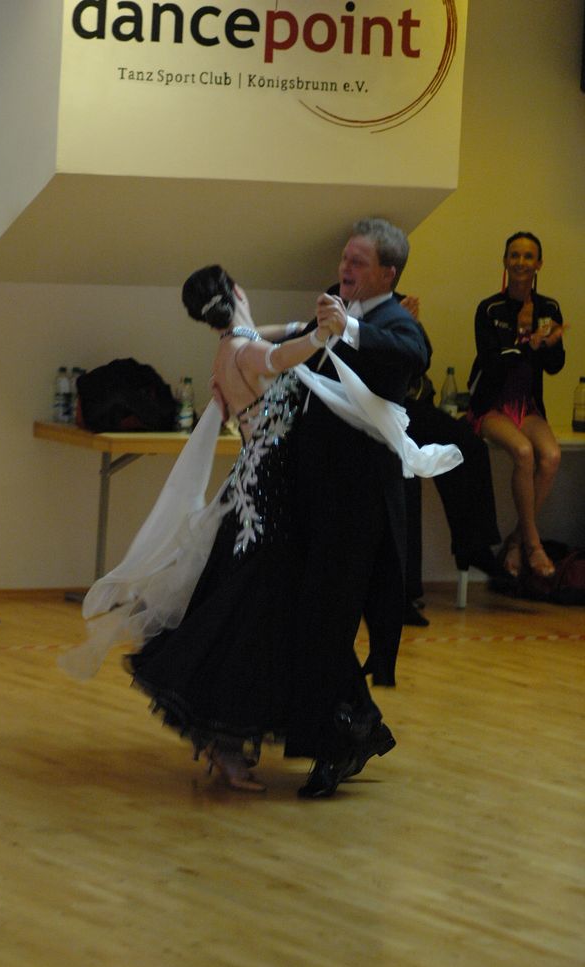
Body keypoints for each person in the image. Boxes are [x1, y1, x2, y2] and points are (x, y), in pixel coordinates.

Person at [61, 263, 461, 797]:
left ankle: (316, 729)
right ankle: (267, 736)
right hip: (268, 497)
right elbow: (282, 354)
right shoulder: (246, 351)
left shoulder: (235, 342)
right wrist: (323, 335)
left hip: (260, 489)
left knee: (261, 613)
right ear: (236, 291)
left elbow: (285, 332)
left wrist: (341, 325)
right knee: (252, 615)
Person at [283, 218, 431, 796]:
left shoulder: (395, 323)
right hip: (314, 495)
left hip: (358, 507)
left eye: (358, 262)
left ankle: (341, 741)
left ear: (388, 274)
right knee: (309, 618)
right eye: (345, 258)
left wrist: (347, 328)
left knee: (328, 620)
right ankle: (356, 725)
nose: (345, 268)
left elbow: (412, 353)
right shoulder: (333, 312)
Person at [466, 232, 566, 579]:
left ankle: (516, 541)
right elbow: (492, 363)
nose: (521, 262)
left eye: (528, 256)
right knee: (523, 452)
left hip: (528, 406)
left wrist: (549, 344)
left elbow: (555, 366)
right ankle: (533, 546)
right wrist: (525, 341)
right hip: (491, 406)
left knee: (551, 456)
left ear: (539, 264)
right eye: (514, 255)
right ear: (505, 261)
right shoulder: (489, 308)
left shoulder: (548, 309)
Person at [399, 295, 502, 628]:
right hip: (379, 409)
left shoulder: (398, 301)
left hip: (416, 406)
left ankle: (474, 545)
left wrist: (412, 325)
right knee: (406, 475)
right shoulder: (342, 300)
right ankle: (404, 591)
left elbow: (422, 360)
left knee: (468, 446)